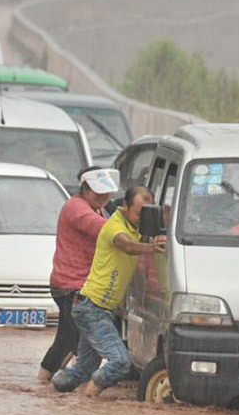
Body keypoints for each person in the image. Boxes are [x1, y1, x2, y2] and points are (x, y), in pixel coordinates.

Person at [52, 185, 166, 396]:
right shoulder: (115, 226)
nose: (143, 219)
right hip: (91, 308)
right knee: (121, 362)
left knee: (81, 370)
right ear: (124, 207)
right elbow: (127, 246)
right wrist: (153, 247)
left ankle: (50, 392)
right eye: (140, 213)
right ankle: (88, 401)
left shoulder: (136, 229)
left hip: (96, 308)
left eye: (148, 214)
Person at [38, 167, 118, 382]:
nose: (103, 198)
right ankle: (45, 382)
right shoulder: (77, 208)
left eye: (107, 193)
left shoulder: (97, 207)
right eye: (98, 193)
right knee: (68, 340)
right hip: (70, 285)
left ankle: (52, 381)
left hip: (79, 283)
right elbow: (106, 230)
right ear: (85, 190)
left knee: (72, 340)